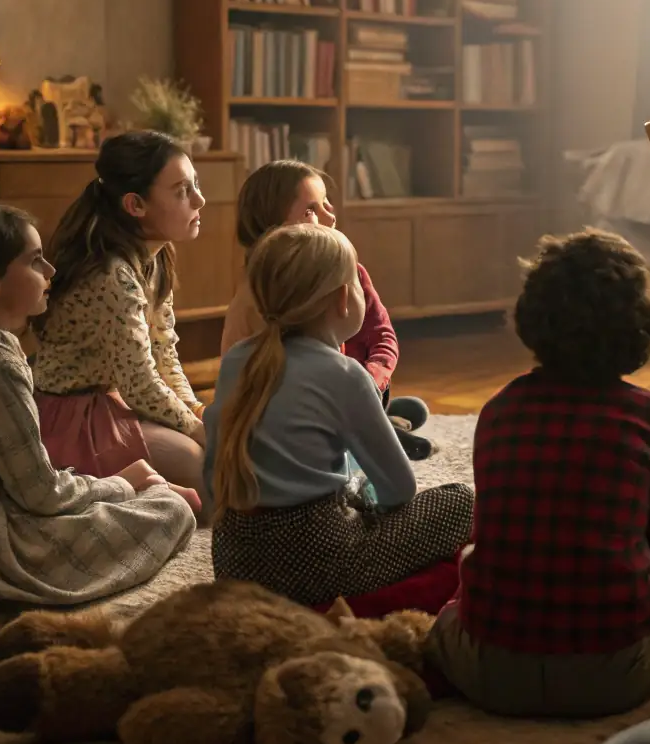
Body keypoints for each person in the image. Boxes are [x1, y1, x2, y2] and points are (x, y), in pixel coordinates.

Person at [425, 229, 650, 718]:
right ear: (641, 324)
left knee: (444, 621)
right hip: (611, 678)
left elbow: (490, 536)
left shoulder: (500, 410)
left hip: (488, 673)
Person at [0, 205, 196, 613]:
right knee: (171, 509)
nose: (51, 271)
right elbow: (41, 494)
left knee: (127, 496)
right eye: (34, 260)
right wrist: (124, 484)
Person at [205, 222, 473, 608]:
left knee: (355, 491)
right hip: (321, 558)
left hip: (235, 560)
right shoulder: (347, 374)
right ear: (344, 299)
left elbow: (213, 474)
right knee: (460, 501)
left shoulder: (235, 361)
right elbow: (400, 489)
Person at [32, 131, 209, 505]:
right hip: (74, 418)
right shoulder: (112, 275)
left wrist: (196, 412)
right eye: (181, 191)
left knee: (209, 450)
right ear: (136, 205)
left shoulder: (155, 257)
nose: (199, 200)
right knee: (196, 462)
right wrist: (198, 431)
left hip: (113, 401)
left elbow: (164, 352)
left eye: (195, 184)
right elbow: (141, 384)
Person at [221, 159, 434, 459]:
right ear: (275, 228)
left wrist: (370, 381)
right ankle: (377, 432)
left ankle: (379, 423)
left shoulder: (350, 270)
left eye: (326, 203)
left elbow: (382, 334)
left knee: (414, 409)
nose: (330, 216)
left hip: (354, 390)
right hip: (297, 415)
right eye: (311, 210)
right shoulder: (255, 298)